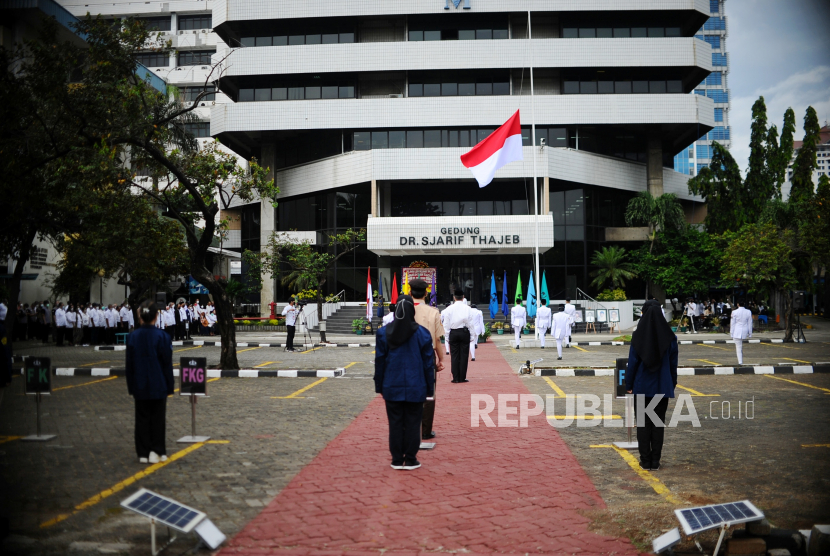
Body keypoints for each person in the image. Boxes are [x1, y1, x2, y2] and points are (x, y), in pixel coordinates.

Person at [374, 295, 435, 470]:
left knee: (395, 423)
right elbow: (427, 364)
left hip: (391, 386)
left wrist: (379, 386)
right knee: (413, 423)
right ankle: (410, 458)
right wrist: (429, 389)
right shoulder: (423, 333)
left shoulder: (383, 333)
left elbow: (380, 362)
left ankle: (396, 459)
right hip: (416, 386)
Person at [625, 299, 678, 471]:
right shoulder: (670, 337)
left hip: (642, 387)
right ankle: (655, 461)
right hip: (662, 388)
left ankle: (645, 460)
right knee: (657, 423)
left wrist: (629, 384)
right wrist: (672, 384)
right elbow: (673, 365)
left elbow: (632, 363)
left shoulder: (638, 336)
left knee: (643, 423)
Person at [126, 300, 174, 464]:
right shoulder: (163, 336)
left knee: (141, 418)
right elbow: (167, 364)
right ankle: (157, 449)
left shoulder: (132, 336)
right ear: (156, 316)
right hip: (158, 383)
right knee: (157, 419)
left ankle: (143, 452)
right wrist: (170, 386)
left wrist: (131, 386)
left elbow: (129, 365)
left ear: (140, 317)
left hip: (139, 383)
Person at [409, 279, 444, 441]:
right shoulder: (433, 312)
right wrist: (440, 359)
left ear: (410, 293)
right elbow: (437, 340)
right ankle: (426, 430)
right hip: (426, 355)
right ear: (426, 293)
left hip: (407, 355)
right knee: (429, 393)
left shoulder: (403, 311)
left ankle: (410, 428)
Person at [441, 289, 476, 383]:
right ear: (463, 297)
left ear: (454, 297)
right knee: (464, 355)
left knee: (454, 355)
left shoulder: (449, 309)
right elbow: (470, 323)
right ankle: (462, 377)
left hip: (453, 332)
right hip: (464, 332)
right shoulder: (468, 308)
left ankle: (455, 377)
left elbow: (446, 324)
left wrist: (447, 336)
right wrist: (472, 335)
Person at [730, 299, 753, 365]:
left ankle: (740, 362)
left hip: (737, 331)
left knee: (738, 347)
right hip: (745, 330)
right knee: (739, 347)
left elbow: (733, 323)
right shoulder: (748, 312)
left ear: (738, 304)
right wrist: (750, 333)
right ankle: (740, 361)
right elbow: (750, 323)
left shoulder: (734, 312)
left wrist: (731, 333)